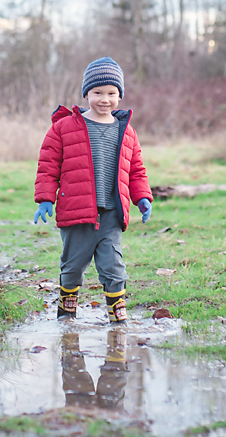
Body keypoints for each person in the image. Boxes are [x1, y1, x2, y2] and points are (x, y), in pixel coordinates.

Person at [33, 57, 153, 323]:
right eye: (98, 92)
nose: (104, 99)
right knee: (73, 266)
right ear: (86, 93)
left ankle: (118, 320)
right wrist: (45, 199)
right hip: (77, 213)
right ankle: (66, 314)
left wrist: (142, 196)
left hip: (111, 213)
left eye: (112, 93)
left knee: (113, 267)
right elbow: (48, 165)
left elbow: (136, 169)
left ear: (119, 96)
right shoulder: (64, 127)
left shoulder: (127, 131)